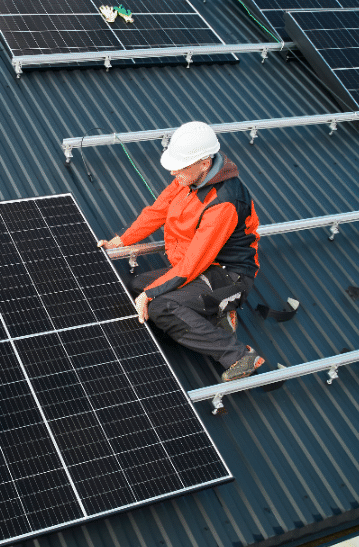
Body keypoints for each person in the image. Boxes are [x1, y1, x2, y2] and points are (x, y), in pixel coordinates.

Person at [99, 120, 264, 382]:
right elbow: (158, 211)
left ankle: (238, 355)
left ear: (204, 163)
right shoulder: (187, 178)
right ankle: (213, 312)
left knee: (160, 307)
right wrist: (122, 240)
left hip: (228, 275)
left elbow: (193, 265)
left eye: (180, 166)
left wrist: (151, 295)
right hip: (202, 268)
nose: (173, 172)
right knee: (138, 284)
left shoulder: (224, 202)